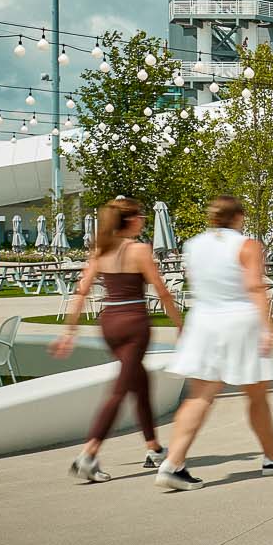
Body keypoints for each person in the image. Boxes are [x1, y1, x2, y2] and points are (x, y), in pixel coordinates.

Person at [155, 195, 273, 490]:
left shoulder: (192, 246)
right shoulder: (248, 246)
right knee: (256, 395)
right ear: (239, 217)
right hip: (239, 322)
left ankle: (173, 462)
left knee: (199, 396)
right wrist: (266, 327)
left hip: (204, 322)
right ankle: (272, 458)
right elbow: (255, 287)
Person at [53, 197, 181, 482]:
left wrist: (68, 331)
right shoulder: (140, 250)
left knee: (139, 383)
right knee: (120, 390)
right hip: (134, 323)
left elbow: (81, 291)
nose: (143, 220)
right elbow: (162, 291)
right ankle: (89, 454)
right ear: (129, 220)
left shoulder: (101, 250)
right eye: (140, 216)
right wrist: (180, 325)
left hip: (109, 322)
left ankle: (154, 448)